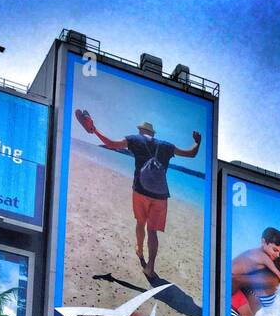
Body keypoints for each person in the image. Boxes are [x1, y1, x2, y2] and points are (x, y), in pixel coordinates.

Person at [73, 110, 202, 280]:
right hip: (161, 195)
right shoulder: (166, 145)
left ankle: (139, 250)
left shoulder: (134, 139)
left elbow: (111, 144)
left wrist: (94, 130)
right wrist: (197, 142)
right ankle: (150, 267)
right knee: (153, 231)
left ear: (141, 131)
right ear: (153, 133)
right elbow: (191, 154)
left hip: (140, 190)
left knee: (140, 223)